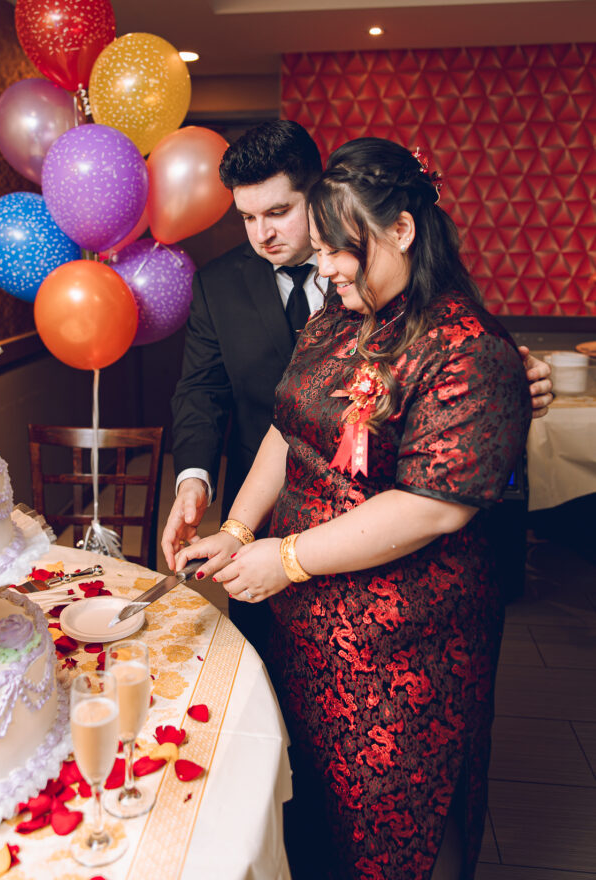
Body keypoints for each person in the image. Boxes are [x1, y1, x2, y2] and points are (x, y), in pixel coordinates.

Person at [173, 138, 533, 880]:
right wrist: (239, 530)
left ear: (400, 231)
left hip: (404, 642)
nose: (327, 265)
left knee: (397, 813)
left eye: (342, 249)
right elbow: (284, 427)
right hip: (306, 625)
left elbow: (432, 508)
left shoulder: (466, 345)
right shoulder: (338, 320)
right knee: (311, 809)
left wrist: (288, 557)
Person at [162, 121, 553, 655]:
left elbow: (435, 491)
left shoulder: (457, 336)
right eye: (248, 218)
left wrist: (504, 391)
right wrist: (234, 525)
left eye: (278, 213)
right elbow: (250, 408)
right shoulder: (329, 314)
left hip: (401, 614)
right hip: (291, 578)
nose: (262, 235)